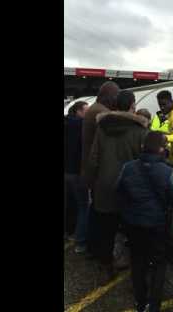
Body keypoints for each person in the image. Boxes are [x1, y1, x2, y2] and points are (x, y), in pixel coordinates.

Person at [117, 132, 173, 312]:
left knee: (138, 261)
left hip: (133, 222)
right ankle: (154, 304)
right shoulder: (167, 171)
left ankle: (141, 301)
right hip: (156, 223)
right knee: (159, 262)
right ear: (161, 149)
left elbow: (119, 190)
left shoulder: (128, 167)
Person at [89, 90, 149, 282]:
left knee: (106, 230)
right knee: (134, 232)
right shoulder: (140, 130)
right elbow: (145, 161)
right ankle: (135, 276)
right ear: (132, 105)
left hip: (104, 186)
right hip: (129, 189)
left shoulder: (102, 128)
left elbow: (93, 159)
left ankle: (106, 265)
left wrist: (93, 183)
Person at [79, 81, 120, 255]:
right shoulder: (101, 112)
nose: (116, 100)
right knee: (101, 213)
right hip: (97, 171)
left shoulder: (95, 109)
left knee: (95, 210)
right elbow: (114, 134)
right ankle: (97, 250)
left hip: (91, 168)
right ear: (108, 96)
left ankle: (92, 247)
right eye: (115, 96)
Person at [64, 101, 89, 249]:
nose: (88, 114)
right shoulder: (81, 126)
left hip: (66, 171)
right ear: (79, 111)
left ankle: (68, 232)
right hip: (77, 171)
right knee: (83, 206)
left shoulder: (66, 123)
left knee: (69, 203)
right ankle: (80, 241)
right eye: (86, 110)